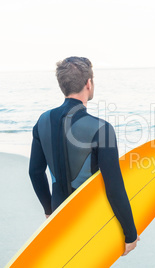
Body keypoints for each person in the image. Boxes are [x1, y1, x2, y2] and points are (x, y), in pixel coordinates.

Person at [28, 56, 139, 256]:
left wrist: (49, 210)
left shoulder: (42, 121)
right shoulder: (101, 129)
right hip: (90, 218)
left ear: (62, 85)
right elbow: (114, 187)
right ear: (89, 83)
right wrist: (130, 233)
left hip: (59, 214)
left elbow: (35, 172)